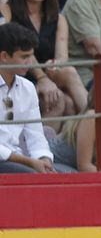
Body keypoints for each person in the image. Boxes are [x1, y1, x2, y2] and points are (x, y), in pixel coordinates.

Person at [4, 0, 87, 121]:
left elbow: (63, 56)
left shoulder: (58, 18)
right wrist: (41, 78)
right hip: (19, 74)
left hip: (49, 75)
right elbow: (22, 51)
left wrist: (55, 64)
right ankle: (95, 124)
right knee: (64, 102)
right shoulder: (7, 11)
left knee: (68, 72)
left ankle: (92, 122)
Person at [0, 21, 58, 174]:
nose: (30, 62)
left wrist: (44, 160)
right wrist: (31, 162)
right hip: (10, 162)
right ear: (4, 56)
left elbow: (36, 136)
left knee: (63, 177)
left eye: (32, 56)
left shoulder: (28, 87)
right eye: (24, 56)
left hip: (19, 160)